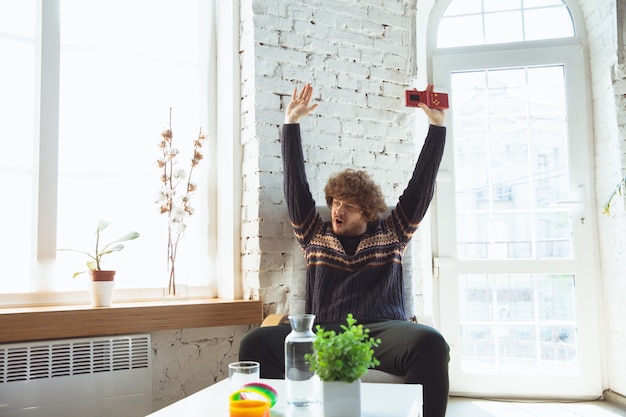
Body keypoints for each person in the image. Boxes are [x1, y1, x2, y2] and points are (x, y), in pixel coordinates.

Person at [239, 83, 449, 417]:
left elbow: (421, 186)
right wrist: (291, 123)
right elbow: (295, 186)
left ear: (367, 212)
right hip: (324, 333)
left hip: (381, 333)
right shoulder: (314, 234)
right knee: (254, 343)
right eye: (336, 202)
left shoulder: (393, 231)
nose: (338, 210)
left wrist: (437, 127)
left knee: (431, 341)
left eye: (349, 205)